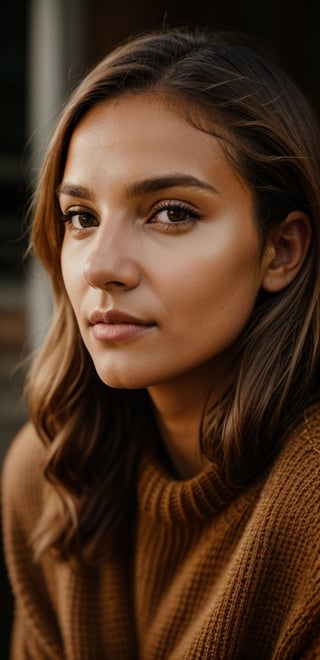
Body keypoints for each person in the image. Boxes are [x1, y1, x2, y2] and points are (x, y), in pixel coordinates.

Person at [2, 25, 320, 659]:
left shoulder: (309, 502)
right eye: (81, 218)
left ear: (280, 250)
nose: (102, 266)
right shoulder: (49, 471)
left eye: (172, 212)